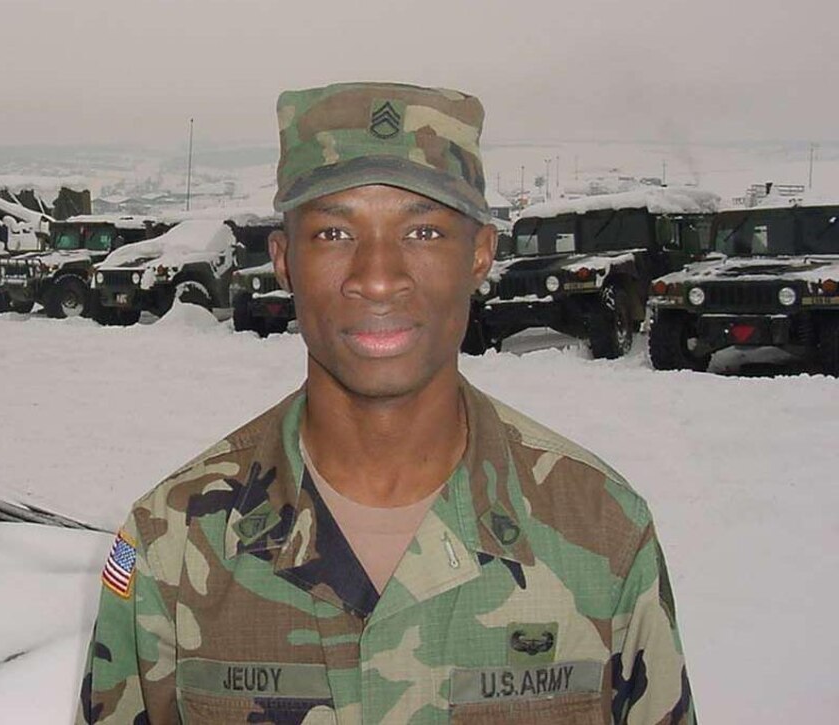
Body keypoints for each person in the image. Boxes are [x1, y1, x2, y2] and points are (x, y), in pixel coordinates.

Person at [76, 82, 694, 724]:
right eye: (334, 233)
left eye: (423, 231)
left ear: (480, 253)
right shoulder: (171, 543)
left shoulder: (602, 534)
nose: (376, 275)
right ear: (283, 261)